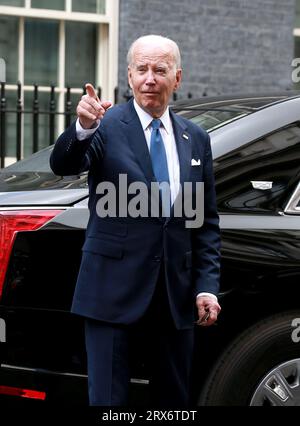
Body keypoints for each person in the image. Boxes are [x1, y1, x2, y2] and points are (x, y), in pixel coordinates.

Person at [50, 34, 221, 407]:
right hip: (111, 294)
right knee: (109, 403)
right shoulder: (106, 126)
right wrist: (82, 128)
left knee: (172, 403)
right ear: (129, 76)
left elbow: (205, 222)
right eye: (141, 69)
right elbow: (64, 164)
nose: (150, 78)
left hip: (174, 300)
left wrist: (206, 286)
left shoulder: (197, 138)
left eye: (160, 70)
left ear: (177, 78)